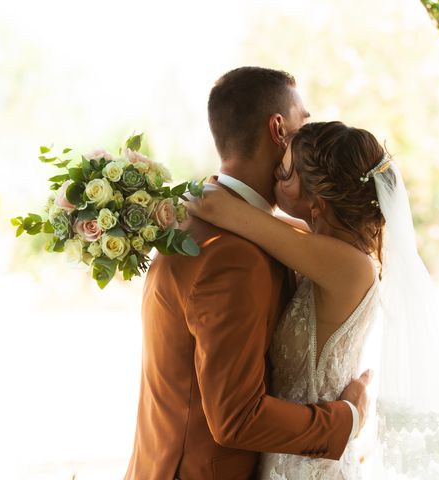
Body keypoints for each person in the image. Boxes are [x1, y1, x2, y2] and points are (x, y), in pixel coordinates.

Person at [186, 121, 439, 479]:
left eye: (284, 174)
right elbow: (264, 222)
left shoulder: (346, 264)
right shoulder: (328, 248)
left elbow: (216, 207)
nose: (275, 180)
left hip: (307, 463)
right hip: (295, 449)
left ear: (317, 203)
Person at [123, 68, 372, 480]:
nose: (306, 133)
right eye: (302, 122)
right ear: (279, 129)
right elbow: (237, 416)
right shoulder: (230, 254)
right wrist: (346, 420)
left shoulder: (202, 220)